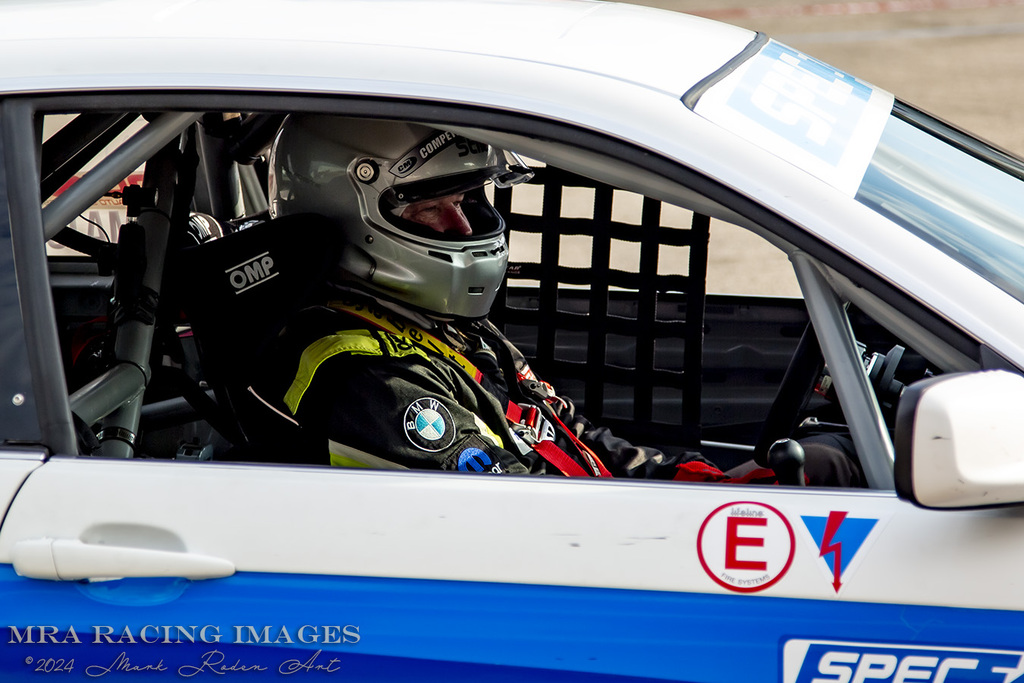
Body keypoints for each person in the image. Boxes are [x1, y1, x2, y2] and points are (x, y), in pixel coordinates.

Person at [255, 115, 861, 485]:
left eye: (469, 199)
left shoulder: (439, 328)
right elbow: (531, 518)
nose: (466, 228)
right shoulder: (361, 375)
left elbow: (568, 437)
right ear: (346, 210)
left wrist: (728, 488)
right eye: (428, 208)